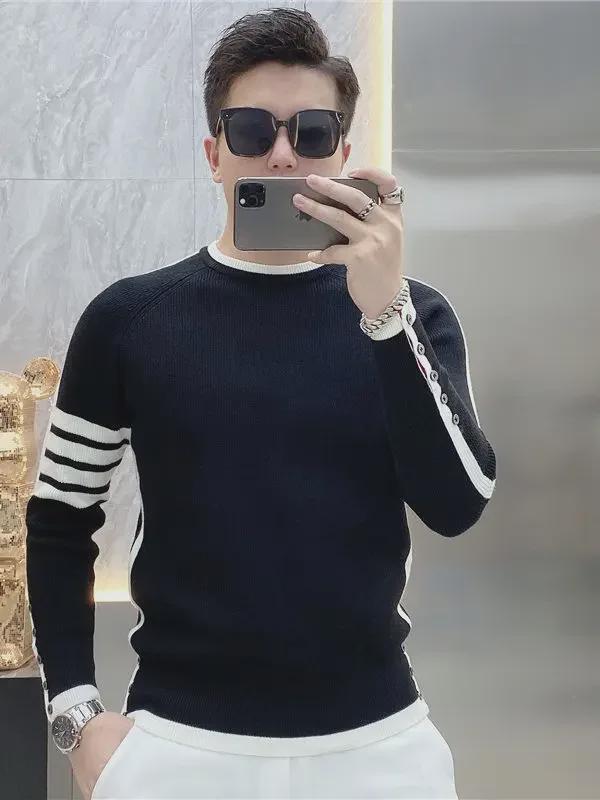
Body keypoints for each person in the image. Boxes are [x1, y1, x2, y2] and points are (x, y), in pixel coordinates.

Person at [25, 7, 497, 800]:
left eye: (312, 132)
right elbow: (60, 518)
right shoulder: (129, 319)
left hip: (380, 748)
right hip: (178, 745)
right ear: (215, 154)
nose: (282, 153)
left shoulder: (414, 314)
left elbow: (458, 504)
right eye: (251, 130)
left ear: (342, 152)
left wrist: (385, 316)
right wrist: (76, 715)